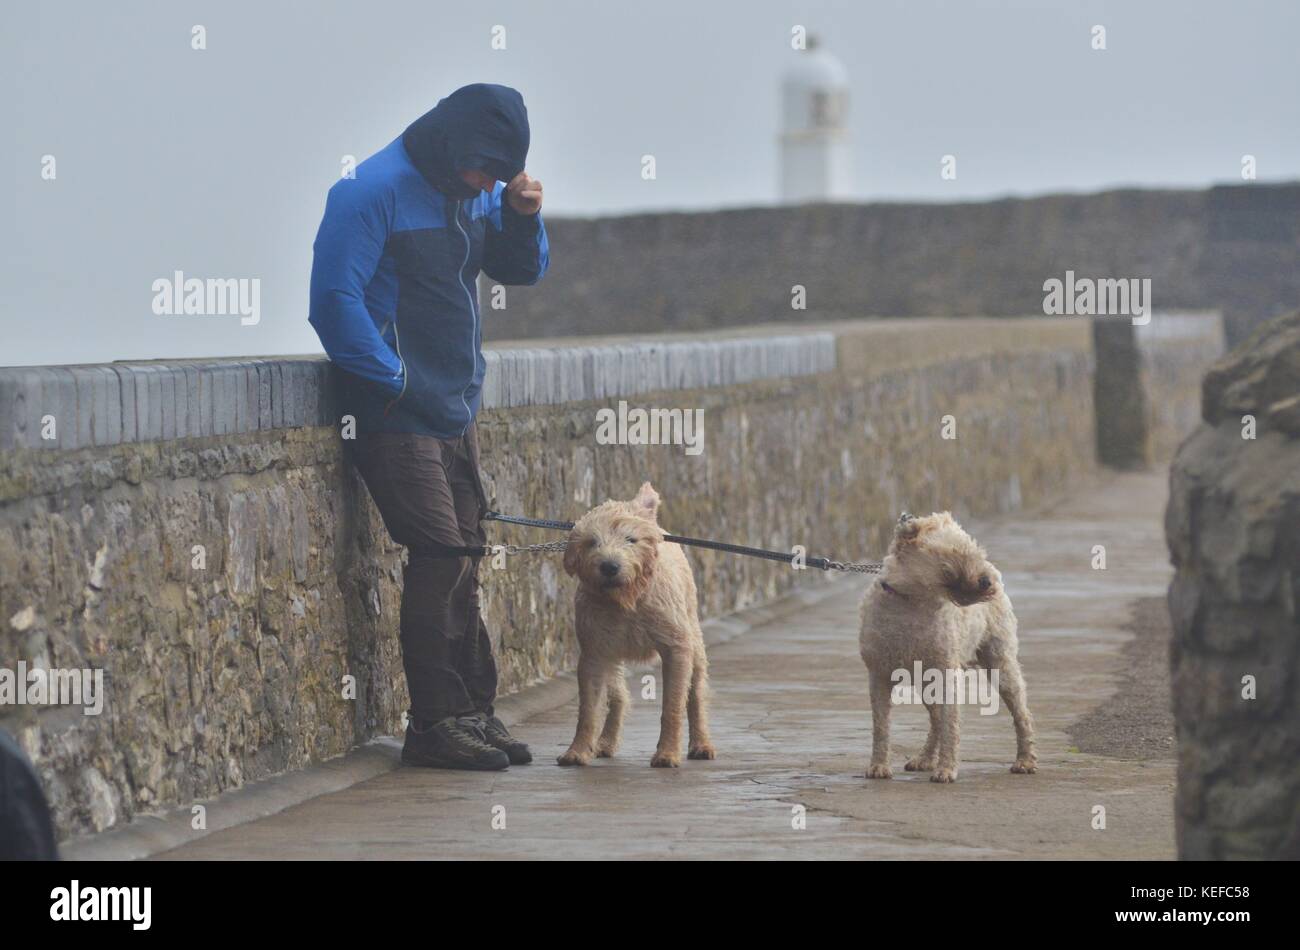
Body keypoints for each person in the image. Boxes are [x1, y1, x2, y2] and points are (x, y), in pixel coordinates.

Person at [309, 83, 548, 770]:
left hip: (454, 409)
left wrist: (521, 215)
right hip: (391, 410)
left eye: (497, 174)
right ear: (449, 145)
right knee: (442, 550)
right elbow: (333, 302)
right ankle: (434, 725)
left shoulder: (473, 189)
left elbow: (518, 271)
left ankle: (475, 710)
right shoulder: (368, 191)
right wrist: (397, 381)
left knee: (468, 551)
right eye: (481, 170)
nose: (484, 182)